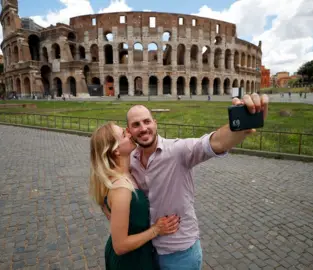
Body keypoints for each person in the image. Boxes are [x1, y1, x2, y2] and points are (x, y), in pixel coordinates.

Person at [106, 93, 269, 269]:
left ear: (155, 123)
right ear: (129, 131)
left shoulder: (178, 151)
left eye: (147, 121)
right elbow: (105, 179)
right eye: (136, 125)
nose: (143, 128)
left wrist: (241, 127)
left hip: (180, 254)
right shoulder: (131, 159)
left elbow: (215, 143)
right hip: (148, 251)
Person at [89, 122, 180, 269]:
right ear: (116, 150)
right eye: (124, 135)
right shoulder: (121, 189)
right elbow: (120, 245)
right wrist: (156, 230)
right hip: (131, 261)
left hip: (138, 254)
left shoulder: (125, 174)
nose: (130, 134)